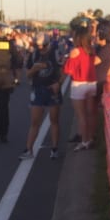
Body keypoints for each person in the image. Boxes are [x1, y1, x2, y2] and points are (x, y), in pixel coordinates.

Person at [19, 32, 64, 160]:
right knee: (35, 121)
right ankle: (29, 149)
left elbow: (64, 71)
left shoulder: (55, 53)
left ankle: (54, 149)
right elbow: (27, 74)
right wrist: (35, 69)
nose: (41, 49)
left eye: (43, 46)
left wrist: (58, 83)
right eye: (38, 46)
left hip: (52, 89)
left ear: (48, 44)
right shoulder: (33, 54)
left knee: (54, 120)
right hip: (38, 89)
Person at [63, 24, 99, 151]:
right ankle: (90, 138)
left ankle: (84, 141)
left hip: (79, 84)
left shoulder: (75, 51)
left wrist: (67, 60)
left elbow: (68, 70)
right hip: (91, 83)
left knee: (81, 116)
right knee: (90, 114)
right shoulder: (91, 50)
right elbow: (97, 61)